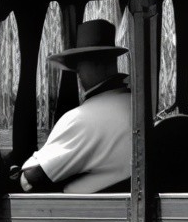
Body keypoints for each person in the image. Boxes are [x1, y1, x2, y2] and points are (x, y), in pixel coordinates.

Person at [19, 17, 131, 192]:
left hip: (81, 214)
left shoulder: (81, 118)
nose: (77, 71)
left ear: (98, 62)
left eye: (81, 62)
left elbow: (30, 180)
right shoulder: (136, 105)